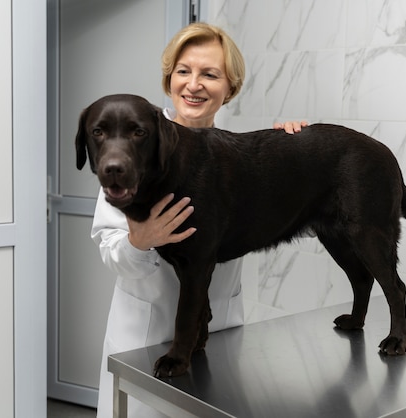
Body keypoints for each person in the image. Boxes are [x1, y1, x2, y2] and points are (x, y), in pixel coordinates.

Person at [91, 22, 307, 417]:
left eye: (211, 74)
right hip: (143, 334)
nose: (194, 84)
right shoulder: (131, 154)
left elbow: (282, 198)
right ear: (169, 80)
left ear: (231, 88)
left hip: (218, 333)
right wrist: (142, 239)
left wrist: (293, 150)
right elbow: (109, 250)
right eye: (183, 71)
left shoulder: (244, 157)